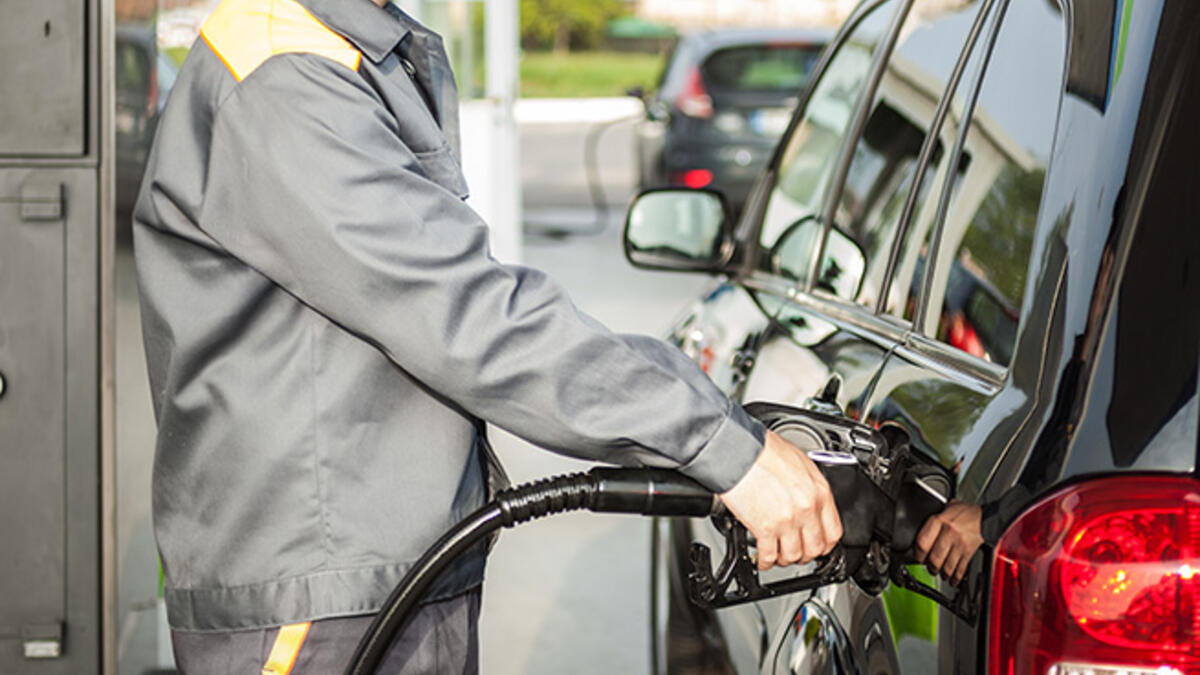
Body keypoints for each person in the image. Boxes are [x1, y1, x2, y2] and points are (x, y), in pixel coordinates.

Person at [132, 0, 843, 672]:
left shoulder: (350, 48)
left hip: (380, 578)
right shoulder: (281, 74)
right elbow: (472, 316)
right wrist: (720, 443)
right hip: (313, 601)